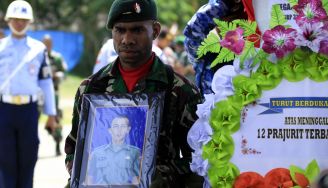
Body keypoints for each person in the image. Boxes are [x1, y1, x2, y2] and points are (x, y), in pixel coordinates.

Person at [64, 0, 203, 187]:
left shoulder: (179, 90)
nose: (127, 39)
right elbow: (74, 148)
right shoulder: (91, 89)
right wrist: (82, 171)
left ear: (154, 30)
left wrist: (161, 174)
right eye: (120, 30)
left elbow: (199, 160)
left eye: (137, 30)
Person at [0, 1, 57, 188]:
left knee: (28, 158)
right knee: (5, 160)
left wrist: (51, 115)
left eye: (23, 19)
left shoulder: (38, 49)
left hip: (29, 111)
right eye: (15, 19)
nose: (19, 23)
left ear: (29, 22)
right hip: (4, 110)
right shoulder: (0, 48)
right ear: (8, 20)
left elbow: (46, 83)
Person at [87, 116, 140, 185]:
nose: (119, 130)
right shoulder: (97, 153)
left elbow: (136, 179)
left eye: (123, 126)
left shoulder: (135, 152)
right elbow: (89, 178)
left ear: (128, 129)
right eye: (115, 126)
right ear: (110, 130)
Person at [42, 34, 68, 156]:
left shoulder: (57, 58)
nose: (46, 46)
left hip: (53, 92)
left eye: (48, 43)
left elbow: (64, 73)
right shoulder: (37, 56)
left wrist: (57, 74)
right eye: (44, 43)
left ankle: (57, 144)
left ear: (51, 44)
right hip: (38, 93)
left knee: (56, 117)